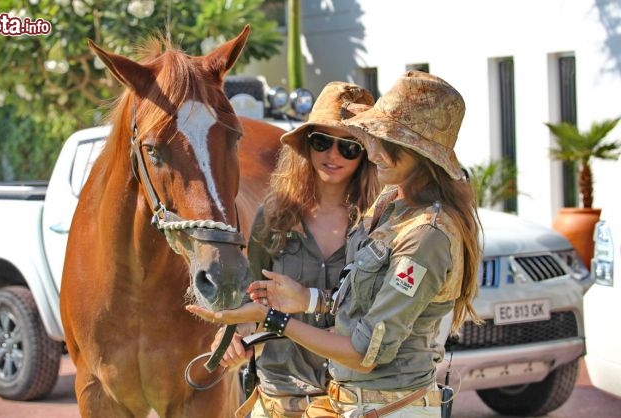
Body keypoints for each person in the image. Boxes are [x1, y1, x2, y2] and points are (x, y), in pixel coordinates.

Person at [187, 71, 483, 418]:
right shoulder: (388, 211)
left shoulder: (423, 231)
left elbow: (365, 349)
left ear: (420, 154)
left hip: (381, 404)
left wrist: (273, 318)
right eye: (321, 141)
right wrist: (250, 324)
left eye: (354, 144)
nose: (375, 151)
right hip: (304, 396)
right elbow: (354, 304)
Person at [211, 81, 381, 418]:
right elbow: (251, 296)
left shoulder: (380, 223)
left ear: (366, 154)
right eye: (321, 142)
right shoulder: (274, 216)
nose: (332, 155)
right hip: (281, 396)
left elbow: (387, 314)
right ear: (306, 145)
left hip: (356, 400)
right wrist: (230, 335)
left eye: (348, 146)